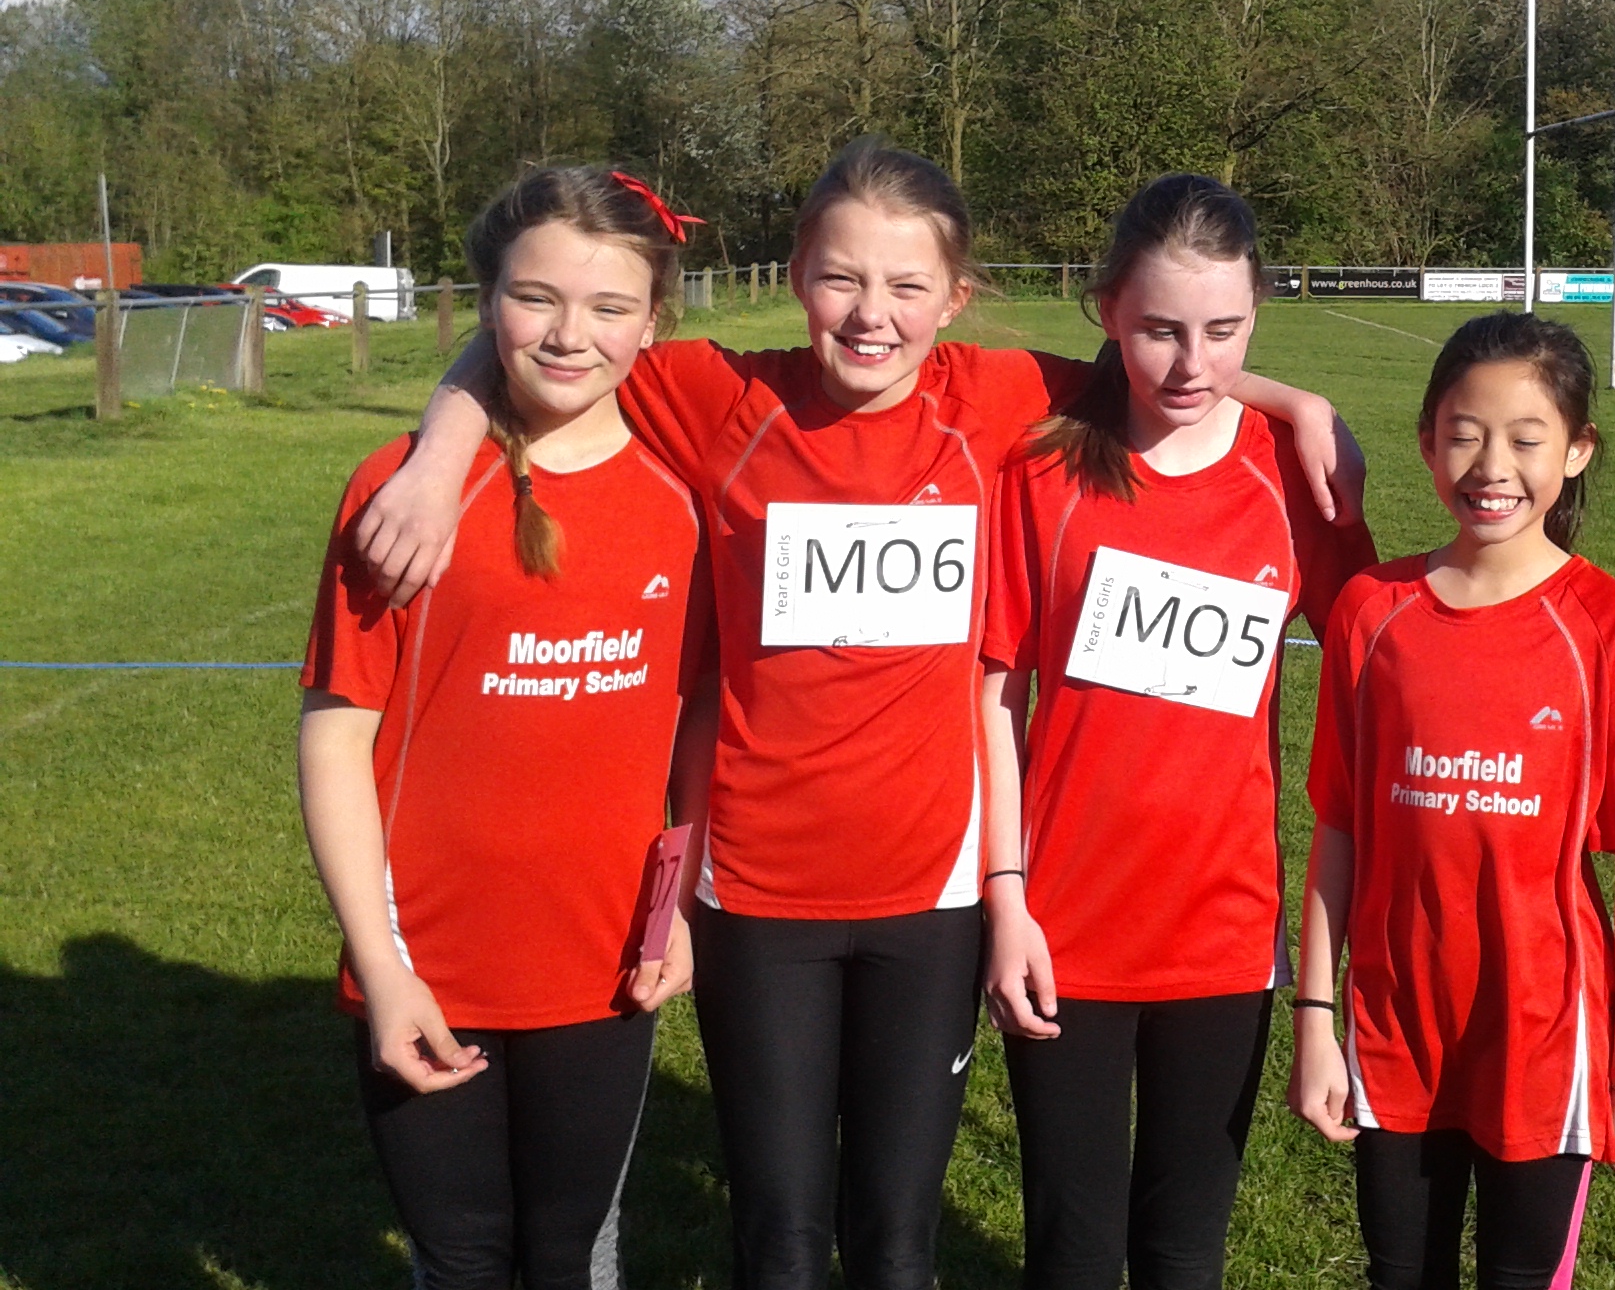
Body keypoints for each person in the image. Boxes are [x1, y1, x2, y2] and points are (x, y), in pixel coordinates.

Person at [348, 138, 1362, 1290]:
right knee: (781, 1242)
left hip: (931, 900)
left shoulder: (993, 399)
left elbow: (1168, 359)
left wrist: (1294, 400)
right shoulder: (723, 397)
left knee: (894, 1244)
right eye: (841, 278)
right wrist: (437, 455)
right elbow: (555, 333)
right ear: (796, 275)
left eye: (906, 286)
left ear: (955, 300)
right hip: (755, 894)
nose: (871, 315)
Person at [298, 166, 712, 1290]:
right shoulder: (397, 494)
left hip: (603, 967)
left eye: (609, 307)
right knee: (461, 1257)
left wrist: (676, 907)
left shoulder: (684, 500)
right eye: (536, 298)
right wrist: (383, 968)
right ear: (487, 304)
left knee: (572, 1254)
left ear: (654, 322)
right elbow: (335, 736)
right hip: (426, 965)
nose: (570, 335)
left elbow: (695, 722)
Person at [975, 174, 1377, 1290]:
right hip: (1063, 926)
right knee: (1071, 1249)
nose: (1193, 364)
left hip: (1223, 932)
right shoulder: (1044, 469)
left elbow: (1381, 658)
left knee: (1184, 1251)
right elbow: (995, 698)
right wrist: (1006, 900)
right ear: (1108, 310)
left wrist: (1298, 410)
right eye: (1160, 329)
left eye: (1224, 330)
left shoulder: (1293, 477)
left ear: (1256, 318)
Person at [1291, 312, 1615, 1290]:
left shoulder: (1609, 626)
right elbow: (1338, 829)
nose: (1491, 467)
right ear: (1427, 441)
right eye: (1464, 435)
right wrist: (1313, 1019)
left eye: (1525, 439)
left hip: (1544, 1034)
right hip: (1394, 1029)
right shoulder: (1372, 612)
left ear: (1577, 450)